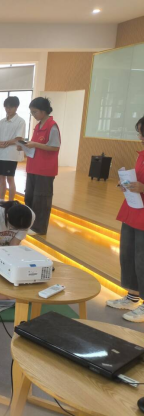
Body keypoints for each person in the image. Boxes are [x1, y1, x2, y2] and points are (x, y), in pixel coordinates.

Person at [106, 116, 144, 322]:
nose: (140, 137)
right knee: (128, 255)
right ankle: (132, 296)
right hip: (133, 209)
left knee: (142, 259)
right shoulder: (142, 155)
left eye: (142, 133)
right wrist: (128, 184)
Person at [21, 97, 61, 235]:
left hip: (45, 170)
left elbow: (55, 147)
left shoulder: (52, 126)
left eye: (35, 112)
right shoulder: (38, 126)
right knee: (30, 196)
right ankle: (29, 223)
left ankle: (39, 228)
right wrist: (24, 146)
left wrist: (35, 144)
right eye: (32, 112)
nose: (33, 115)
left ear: (43, 111)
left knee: (42, 199)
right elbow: (35, 146)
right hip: (33, 167)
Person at [0, 96, 26, 202]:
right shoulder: (2, 121)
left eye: (10, 107)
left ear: (16, 107)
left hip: (11, 155)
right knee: (0, 178)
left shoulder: (20, 121)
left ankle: (10, 202)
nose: (8, 109)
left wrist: (5, 143)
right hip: (0, 154)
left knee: (10, 178)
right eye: (6, 107)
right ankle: (1, 201)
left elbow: (19, 138)